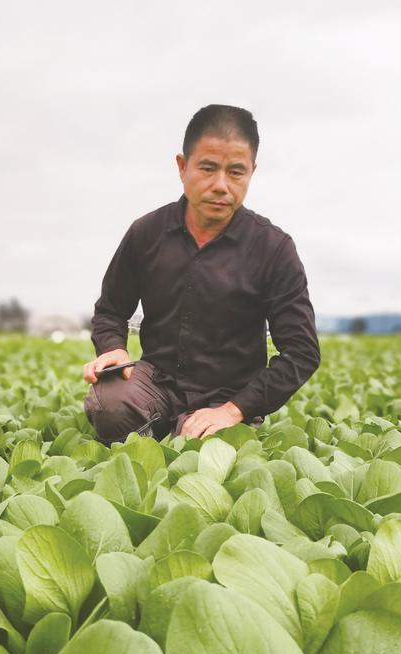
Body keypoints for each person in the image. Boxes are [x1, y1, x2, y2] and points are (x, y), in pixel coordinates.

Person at [82, 104, 320, 442]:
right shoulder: (146, 233)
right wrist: (113, 348)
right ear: (182, 167)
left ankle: (187, 431)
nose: (221, 185)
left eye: (236, 172)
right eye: (207, 168)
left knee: (207, 448)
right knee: (110, 405)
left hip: (227, 397)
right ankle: (161, 428)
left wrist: (234, 409)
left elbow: (302, 352)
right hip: (156, 382)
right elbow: (110, 310)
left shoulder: (273, 248)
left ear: (251, 171)